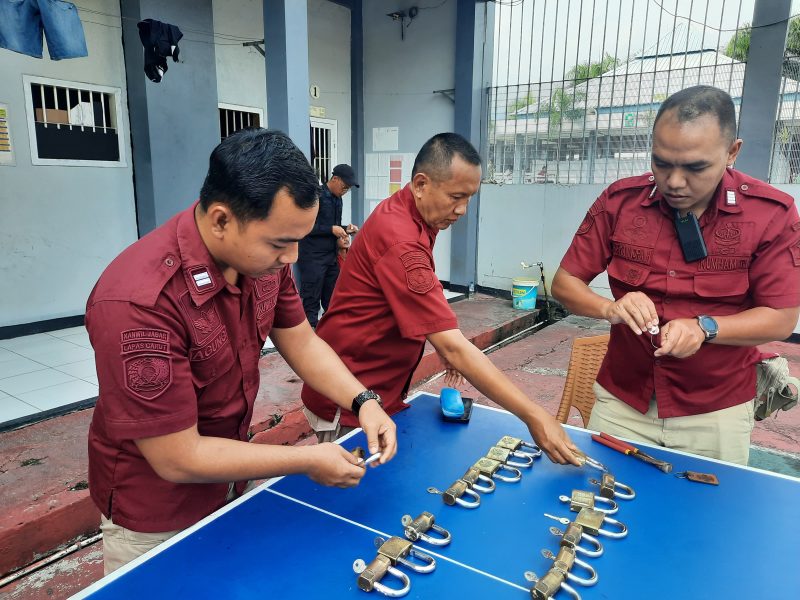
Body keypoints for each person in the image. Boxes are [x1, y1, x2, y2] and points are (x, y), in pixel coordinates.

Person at [86, 129, 397, 574]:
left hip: (229, 485)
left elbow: (302, 340)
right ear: (220, 220)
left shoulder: (261, 261)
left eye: (298, 241)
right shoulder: (139, 302)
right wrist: (307, 459)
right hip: (156, 516)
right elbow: (177, 456)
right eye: (279, 243)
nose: (292, 257)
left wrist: (363, 402)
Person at [551, 85, 800, 465]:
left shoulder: (770, 215)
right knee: (600, 505)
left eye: (695, 167)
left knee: (706, 518)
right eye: (662, 163)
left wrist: (706, 328)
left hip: (714, 411)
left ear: (732, 152)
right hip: (623, 401)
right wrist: (610, 309)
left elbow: (782, 319)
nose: (675, 181)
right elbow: (564, 284)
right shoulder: (620, 203)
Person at [301, 133, 579, 465]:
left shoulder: (414, 213)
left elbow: (422, 305)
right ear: (421, 184)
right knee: (346, 502)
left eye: (469, 198)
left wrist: (440, 334)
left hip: (379, 390)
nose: (462, 210)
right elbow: (453, 346)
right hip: (348, 397)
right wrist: (534, 415)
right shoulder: (402, 240)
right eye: (456, 197)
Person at [297, 164, 360, 327]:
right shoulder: (315, 196)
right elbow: (305, 226)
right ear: (335, 179)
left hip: (331, 257)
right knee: (311, 299)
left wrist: (346, 229)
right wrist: (332, 229)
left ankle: (329, 330)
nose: (345, 192)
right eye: (344, 187)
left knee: (332, 297)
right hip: (313, 257)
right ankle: (310, 334)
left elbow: (334, 226)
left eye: (348, 190)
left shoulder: (338, 199)